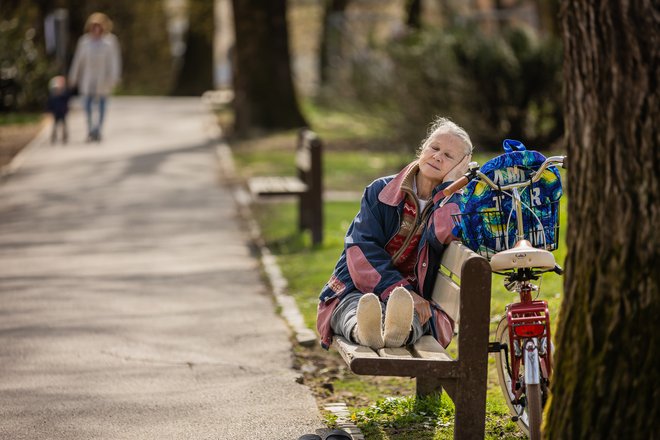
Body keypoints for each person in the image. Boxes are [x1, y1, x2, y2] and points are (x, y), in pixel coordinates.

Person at [316, 117, 473, 351]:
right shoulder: (380, 191)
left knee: (410, 317)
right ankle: (365, 332)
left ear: (461, 167)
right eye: (435, 148)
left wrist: (450, 188)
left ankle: (396, 331)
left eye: (449, 156)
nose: (438, 156)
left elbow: (445, 232)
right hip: (359, 288)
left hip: (414, 302)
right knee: (355, 309)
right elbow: (361, 248)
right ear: (422, 149)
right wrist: (399, 290)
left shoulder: (454, 206)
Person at [68, 12, 121, 142]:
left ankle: (98, 129)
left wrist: (114, 77)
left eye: (99, 26)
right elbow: (78, 60)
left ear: (103, 27)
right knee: (87, 105)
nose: (96, 29)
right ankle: (91, 129)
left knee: (102, 105)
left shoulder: (110, 42)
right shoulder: (84, 42)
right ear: (90, 27)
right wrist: (73, 76)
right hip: (88, 78)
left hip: (103, 78)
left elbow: (115, 61)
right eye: (94, 26)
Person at [46, 75, 70, 144]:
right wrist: (48, 111)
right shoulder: (52, 97)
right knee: (55, 126)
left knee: (64, 125)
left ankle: (64, 137)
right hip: (56, 113)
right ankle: (53, 137)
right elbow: (49, 105)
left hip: (63, 113)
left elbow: (67, 100)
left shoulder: (64, 95)